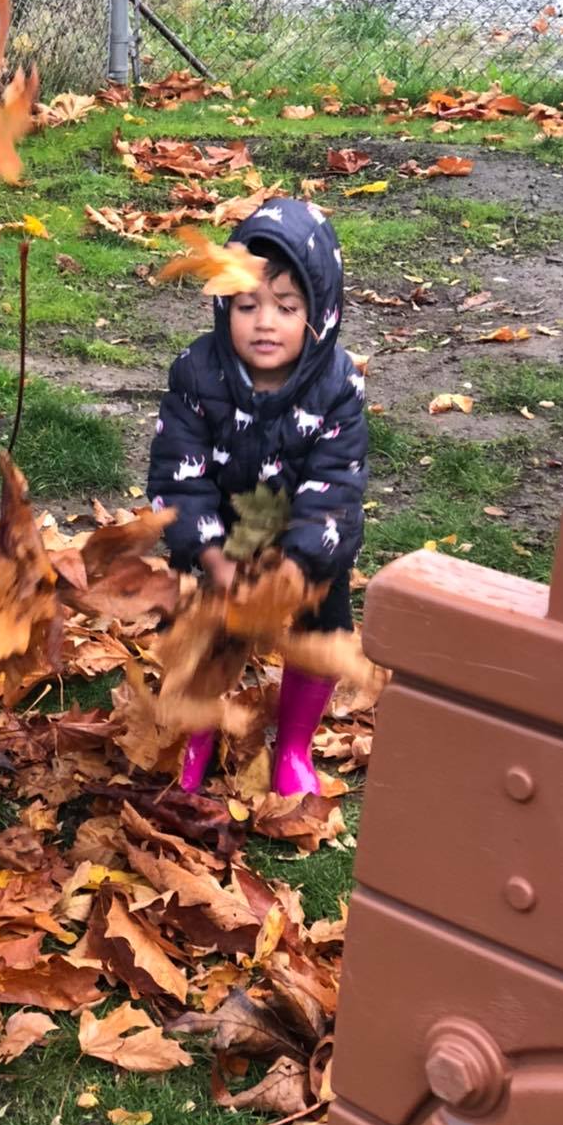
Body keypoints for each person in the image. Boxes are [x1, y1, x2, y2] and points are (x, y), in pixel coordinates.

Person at [146, 196, 367, 797]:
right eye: (247, 305)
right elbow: (178, 477)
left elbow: (336, 483)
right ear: (225, 305)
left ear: (319, 314)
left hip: (305, 543)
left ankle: (293, 743)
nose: (265, 322)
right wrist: (213, 557)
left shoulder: (337, 385)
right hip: (220, 531)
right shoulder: (198, 373)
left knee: (322, 634)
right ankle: (200, 728)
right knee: (208, 631)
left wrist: (293, 571)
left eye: (286, 306)